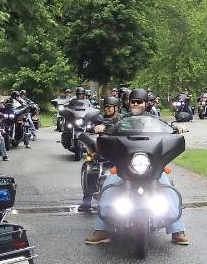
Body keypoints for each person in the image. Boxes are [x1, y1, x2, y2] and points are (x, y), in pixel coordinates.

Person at [84, 88, 189, 245]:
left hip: (150, 165)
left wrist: (177, 128)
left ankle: (177, 230)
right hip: (124, 165)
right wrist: (100, 128)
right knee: (109, 184)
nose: (136, 104)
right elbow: (108, 127)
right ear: (128, 103)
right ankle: (102, 229)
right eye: (133, 101)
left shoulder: (155, 120)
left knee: (167, 184)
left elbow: (168, 129)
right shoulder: (121, 120)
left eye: (139, 102)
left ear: (146, 104)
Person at [77, 95, 122, 212]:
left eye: (110, 107)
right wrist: (94, 127)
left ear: (117, 108)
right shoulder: (100, 119)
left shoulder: (123, 119)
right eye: (106, 106)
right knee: (92, 167)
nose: (107, 109)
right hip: (105, 150)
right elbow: (89, 125)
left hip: (122, 150)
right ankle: (86, 202)